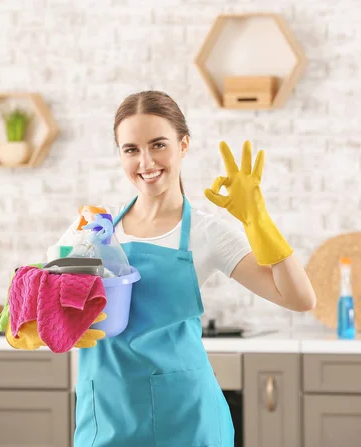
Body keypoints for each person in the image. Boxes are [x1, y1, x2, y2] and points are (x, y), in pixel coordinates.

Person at [65, 90, 317, 447]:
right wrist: (25, 318)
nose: (146, 161)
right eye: (131, 149)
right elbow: (59, 310)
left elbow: (299, 298)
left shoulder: (206, 231)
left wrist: (258, 221)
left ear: (183, 145)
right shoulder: (96, 232)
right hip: (105, 414)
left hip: (183, 418)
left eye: (159, 145)